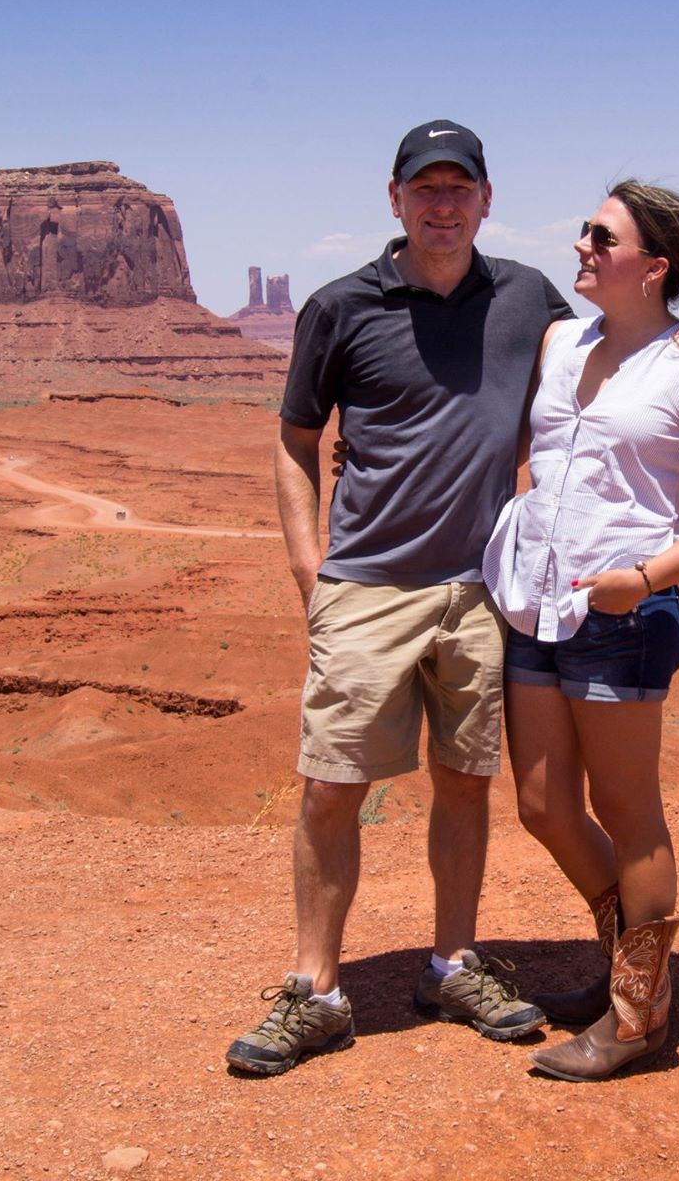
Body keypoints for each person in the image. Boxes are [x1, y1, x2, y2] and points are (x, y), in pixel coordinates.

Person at [226, 121, 573, 1076]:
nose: (443, 204)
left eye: (461, 188)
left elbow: (585, 392)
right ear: (395, 199)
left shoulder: (526, 297)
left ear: (487, 200)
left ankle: (452, 963)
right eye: (426, 188)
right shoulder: (342, 307)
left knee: (466, 781)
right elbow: (297, 440)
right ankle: (318, 991)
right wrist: (313, 572)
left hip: (479, 590)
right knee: (333, 786)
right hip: (368, 586)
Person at [482, 179, 679, 1081]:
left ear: (655, 266)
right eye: (583, 232)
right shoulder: (560, 343)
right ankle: (631, 966)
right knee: (542, 806)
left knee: (628, 812)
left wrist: (642, 580)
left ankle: (639, 1018)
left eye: (602, 238)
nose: (582, 248)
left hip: (625, 607)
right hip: (538, 598)